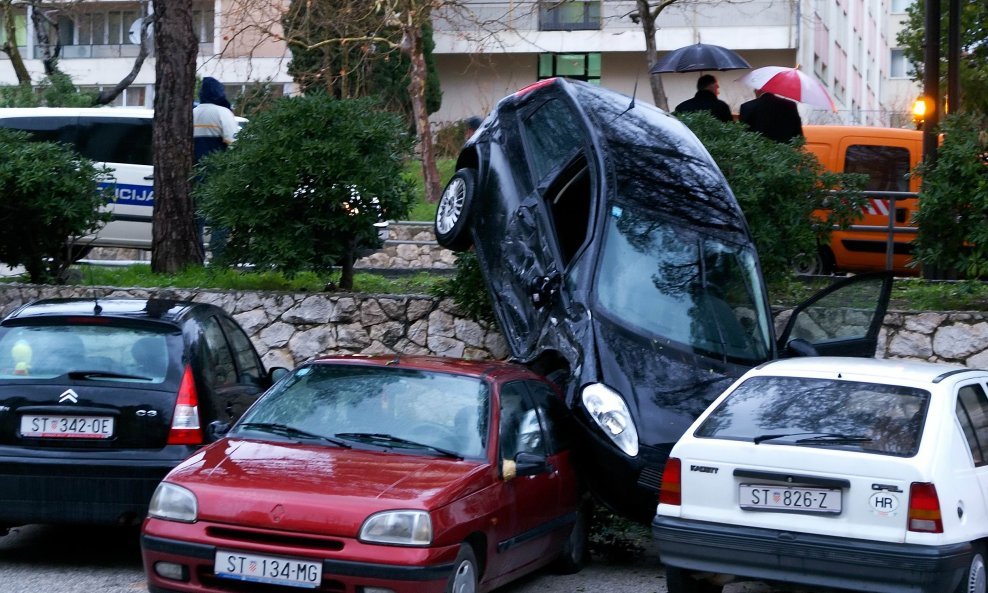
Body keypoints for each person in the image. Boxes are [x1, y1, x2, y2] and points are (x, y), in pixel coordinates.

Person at [192, 77, 238, 258]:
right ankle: (219, 258)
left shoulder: (193, 113)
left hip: (194, 174)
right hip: (218, 174)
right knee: (220, 218)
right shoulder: (222, 113)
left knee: (197, 220)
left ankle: (197, 256)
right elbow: (234, 143)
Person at [739, 89, 804, 144]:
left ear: (757, 90)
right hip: (785, 153)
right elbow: (798, 135)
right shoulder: (790, 105)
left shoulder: (746, 107)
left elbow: (743, 134)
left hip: (757, 153)